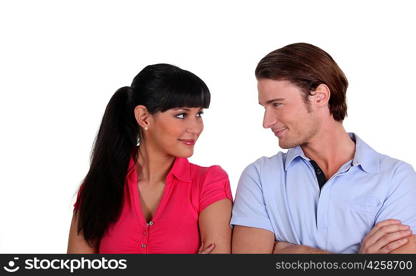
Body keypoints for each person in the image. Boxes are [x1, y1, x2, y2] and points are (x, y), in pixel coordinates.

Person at [231, 43, 416, 254]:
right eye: (265, 107)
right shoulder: (259, 176)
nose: (267, 121)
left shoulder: (396, 177)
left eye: (277, 104)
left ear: (320, 96)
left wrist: (294, 251)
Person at [67, 63, 232, 254]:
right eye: (181, 115)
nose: (196, 128)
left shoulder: (209, 182)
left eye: (199, 114)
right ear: (144, 117)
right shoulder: (98, 184)